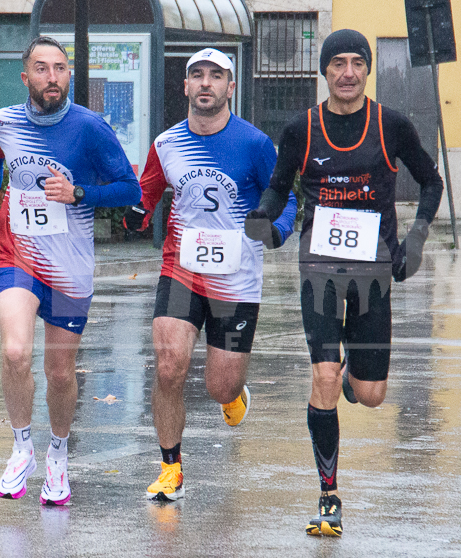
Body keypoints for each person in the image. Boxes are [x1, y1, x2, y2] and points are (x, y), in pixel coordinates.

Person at [245, 29, 444, 536]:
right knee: (324, 378)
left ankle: (356, 371)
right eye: (338, 63)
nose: (348, 72)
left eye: (357, 62)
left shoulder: (391, 125)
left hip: (374, 273)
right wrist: (264, 214)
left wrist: (417, 238)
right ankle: (328, 495)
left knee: (370, 394)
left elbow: (431, 180)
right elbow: (278, 186)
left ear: (368, 69)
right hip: (320, 272)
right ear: (325, 71)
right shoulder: (302, 128)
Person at [122, 48, 297, 502]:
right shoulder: (166, 144)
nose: (205, 83)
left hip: (236, 278)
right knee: (168, 366)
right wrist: (136, 213)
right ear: (185, 86)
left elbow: (286, 197)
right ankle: (170, 468)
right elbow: (148, 192)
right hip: (181, 270)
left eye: (216, 76)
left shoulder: (255, 144)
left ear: (230, 87)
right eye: (197, 75)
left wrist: (276, 230)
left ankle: (234, 395)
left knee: (220, 386)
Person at [0, 36, 141, 506]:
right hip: (16, 254)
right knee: (14, 351)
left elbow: (130, 189)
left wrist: (80, 194)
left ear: (69, 75)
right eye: (42, 68)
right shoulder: (5, 121)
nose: (52, 77)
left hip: (69, 266)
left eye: (60, 68)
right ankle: (22, 448)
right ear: (25, 77)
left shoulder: (89, 128)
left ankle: (58, 455)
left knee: (60, 372)